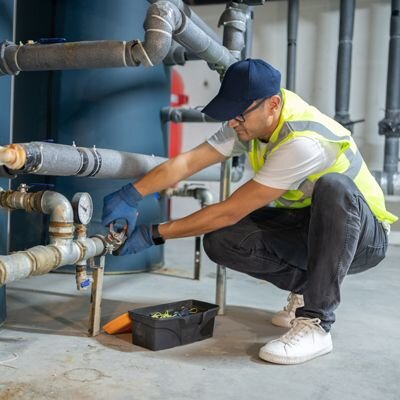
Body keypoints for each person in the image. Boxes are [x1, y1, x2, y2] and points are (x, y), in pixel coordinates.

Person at [102, 59, 397, 364]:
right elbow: (187, 162)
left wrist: (154, 233)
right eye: (230, 113)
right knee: (221, 239)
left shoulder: (303, 141)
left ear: (272, 104)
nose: (232, 122)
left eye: (239, 114)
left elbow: (228, 211)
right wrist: (132, 194)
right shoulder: (247, 125)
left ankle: (316, 323)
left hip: (362, 238)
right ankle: (307, 288)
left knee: (334, 187)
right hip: (310, 226)